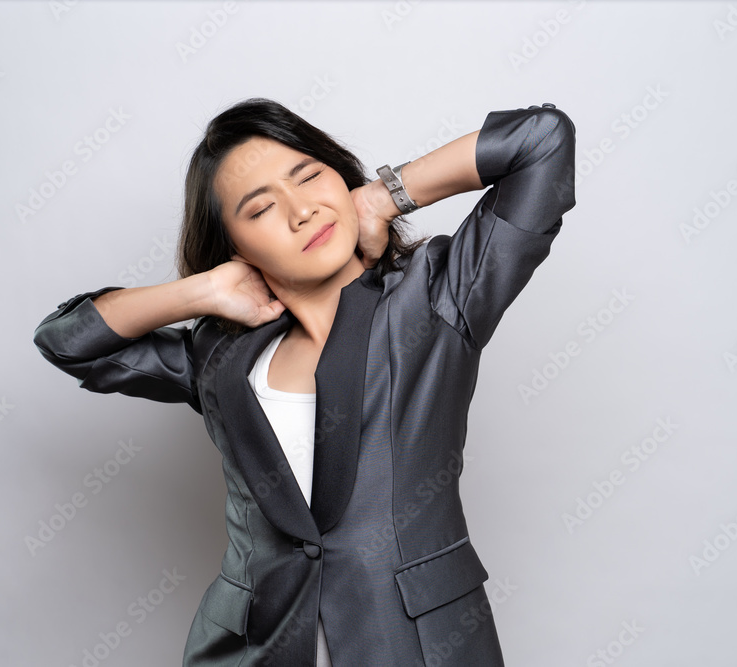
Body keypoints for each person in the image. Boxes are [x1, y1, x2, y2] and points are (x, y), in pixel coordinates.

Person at [33, 96, 575, 666]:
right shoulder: (220, 355)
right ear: (236, 246)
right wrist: (202, 291)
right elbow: (66, 342)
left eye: (310, 176)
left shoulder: (437, 300)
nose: (301, 212)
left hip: (414, 646)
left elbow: (541, 140)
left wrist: (383, 196)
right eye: (261, 209)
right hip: (253, 651)